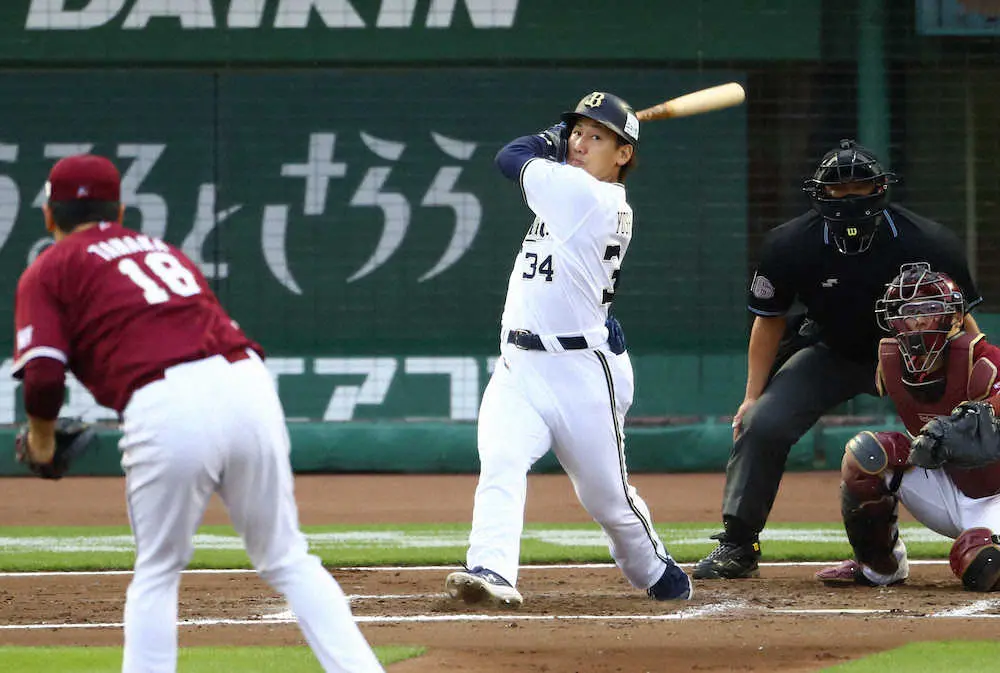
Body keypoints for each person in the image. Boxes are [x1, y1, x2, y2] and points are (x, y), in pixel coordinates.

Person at [12, 154, 384, 673]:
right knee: (287, 558)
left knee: (158, 571)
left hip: (166, 403)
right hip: (246, 381)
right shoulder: (163, 251)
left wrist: (43, 443)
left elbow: (45, 377)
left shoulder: (49, 268)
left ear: (49, 215)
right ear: (118, 209)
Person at [444, 92, 692, 607]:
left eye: (595, 136)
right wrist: (567, 142)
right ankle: (490, 569)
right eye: (576, 131)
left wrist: (546, 139)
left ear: (623, 155)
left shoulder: (589, 197)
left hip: (579, 372)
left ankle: (657, 571)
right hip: (518, 365)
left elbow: (509, 156)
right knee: (501, 460)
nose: (578, 142)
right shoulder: (575, 189)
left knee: (607, 499)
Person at [694, 139, 983, 580]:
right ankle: (739, 544)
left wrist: (984, 384)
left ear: (881, 187)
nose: (849, 197)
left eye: (860, 186)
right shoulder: (790, 244)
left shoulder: (928, 241)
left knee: (972, 428)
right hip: (834, 353)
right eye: (838, 189)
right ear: (818, 193)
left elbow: (963, 323)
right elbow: (768, 322)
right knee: (763, 424)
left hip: (920, 360)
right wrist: (751, 397)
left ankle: (983, 522)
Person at [815, 263, 1000, 591]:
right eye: (907, 310)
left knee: (982, 563)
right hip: (946, 485)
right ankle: (880, 569)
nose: (917, 320)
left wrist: (966, 426)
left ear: (956, 318)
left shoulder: (982, 360)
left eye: (929, 309)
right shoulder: (890, 364)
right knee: (865, 454)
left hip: (995, 493)